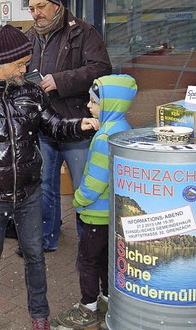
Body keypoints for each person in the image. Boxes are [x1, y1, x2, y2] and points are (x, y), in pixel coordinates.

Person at [0, 25, 99, 330]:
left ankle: (39, 315)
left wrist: (80, 124)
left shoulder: (30, 94)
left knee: (35, 256)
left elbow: (53, 125)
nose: (25, 69)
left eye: (26, 64)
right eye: (21, 64)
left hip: (30, 193)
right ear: (0, 62)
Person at [25, 0, 112, 252]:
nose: (36, 13)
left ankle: (89, 243)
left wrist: (60, 80)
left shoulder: (84, 32)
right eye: (31, 9)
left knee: (83, 187)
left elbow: (101, 68)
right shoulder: (30, 36)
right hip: (44, 124)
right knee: (45, 185)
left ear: (56, 5)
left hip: (76, 125)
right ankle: (47, 237)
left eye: (40, 6)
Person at [50, 74, 137, 330]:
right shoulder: (123, 130)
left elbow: (95, 181)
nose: (89, 106)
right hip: (112, 213)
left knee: (89, 259)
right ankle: (110, 300)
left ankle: (88, 307)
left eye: (94, 102)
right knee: (108, 259)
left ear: (110, 105)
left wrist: (79, 199)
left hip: (96, 213)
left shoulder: (104, 138)